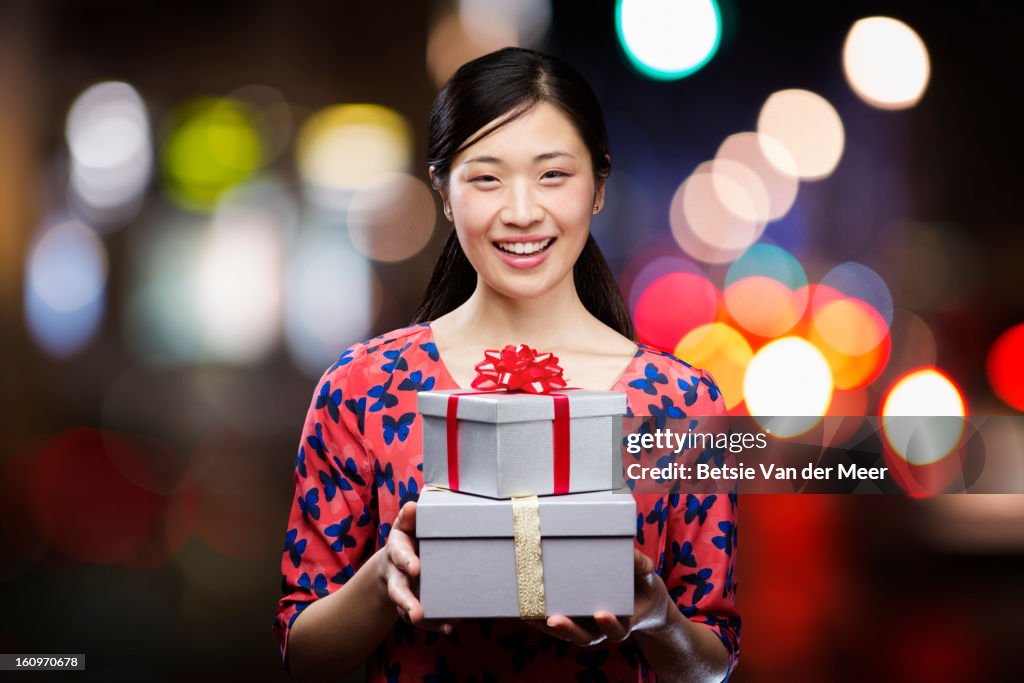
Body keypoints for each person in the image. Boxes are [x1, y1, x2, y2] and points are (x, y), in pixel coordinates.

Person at [274, 47, 740, 683]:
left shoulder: (681, 400)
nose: (521, 212)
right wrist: (385, 578)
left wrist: (656, 616)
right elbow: (300, 652)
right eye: (486, 178)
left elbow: (714, 661)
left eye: (554, 175)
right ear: (443, 191)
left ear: (599, 186)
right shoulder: (362, 388)